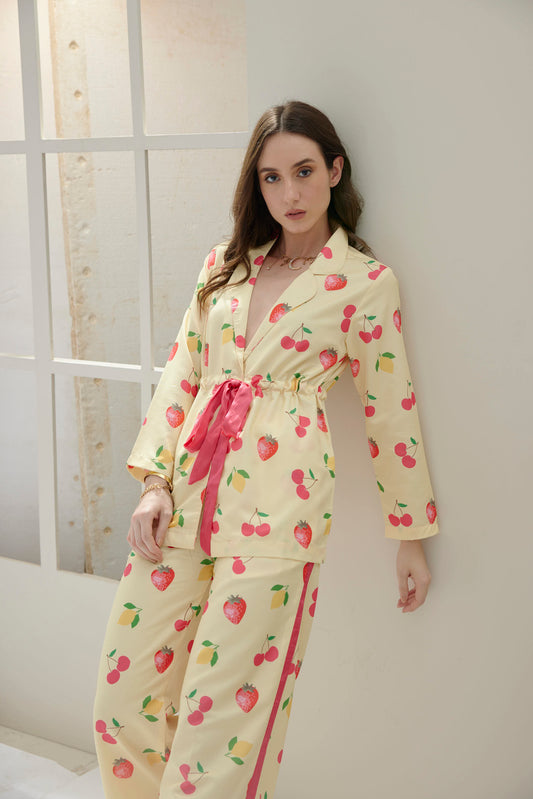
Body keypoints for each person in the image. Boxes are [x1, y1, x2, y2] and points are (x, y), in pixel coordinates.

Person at [93, 99, 439, 799]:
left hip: (279, 514)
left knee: (220, 730)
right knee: (122, 704)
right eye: (271, 177)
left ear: (334, 171)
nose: (290, 193)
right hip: (185, 498)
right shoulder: (224, 267)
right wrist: (154, 483)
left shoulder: (364, 283)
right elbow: (184, 371)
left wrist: (411, 536)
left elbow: (390, 411)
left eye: (304, 171)